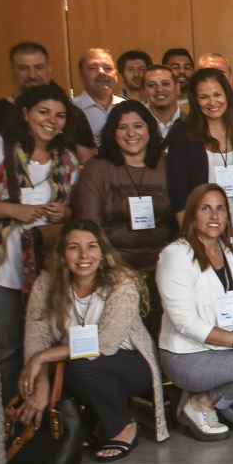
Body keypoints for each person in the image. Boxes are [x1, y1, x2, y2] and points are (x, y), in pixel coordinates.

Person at [17, 219, 163, 462]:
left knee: (82, 366)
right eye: (74, 247)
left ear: (102, 252)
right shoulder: (45, 284)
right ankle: (85, 424)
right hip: (74, 364)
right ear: (62, 253)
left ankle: (124, 426)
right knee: (40, 374)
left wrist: (42, 357)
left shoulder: (122, 281)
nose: (84, 255)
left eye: (92, 246)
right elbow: (36, 341)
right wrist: (41, 385)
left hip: (130, 365)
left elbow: (105, 344)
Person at [0, 84, 80, 400]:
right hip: (2, 267)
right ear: (25, 114)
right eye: (43, 112)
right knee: (8, 343)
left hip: (47, 269)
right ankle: (11, 412)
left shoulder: (67, 160)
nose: (52, 120)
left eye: (60, 115)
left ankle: (45, 409)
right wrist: (14, 210)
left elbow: (74, 214)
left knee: (47, 341)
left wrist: (64, 212)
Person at [157, 184, 233, 439]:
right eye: (206, 208)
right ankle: (201, 404)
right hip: (187, 356)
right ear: (193, 214)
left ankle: (200, 400)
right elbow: (185, 322)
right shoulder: (176, 255)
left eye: (220, 209)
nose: (214, 216)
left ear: (227, 215)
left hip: (230, 350)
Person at [70, 101, 176, 330]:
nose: (131, 133)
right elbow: (90, 226)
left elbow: (180, 217)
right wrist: (112, 270)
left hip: (163, 268)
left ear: (149, 129)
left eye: (138, 126)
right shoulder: (98, 167)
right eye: (122, 127)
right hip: (113, 270)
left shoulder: (167, 164)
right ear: (112, 132)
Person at [166, 67, 233, 224]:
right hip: (198, 228)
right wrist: (191, 236)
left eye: (217, 94)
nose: (212, 102)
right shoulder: (182, 136)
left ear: (227, 94)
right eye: (204, 97)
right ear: (196, 100)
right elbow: (178, 193)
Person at [71, 48, 125, 147]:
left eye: (108, 68)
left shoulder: (128, 107)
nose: (101, 72)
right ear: (81, 75)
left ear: (116, 75)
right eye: (93, 68)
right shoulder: (70, 109)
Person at [141, 63, 185, 139]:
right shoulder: (137, 125)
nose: (159, 89)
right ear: (143, 91)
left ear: (177, 88)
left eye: (165, 84)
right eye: (152, 85)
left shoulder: (193, 123)